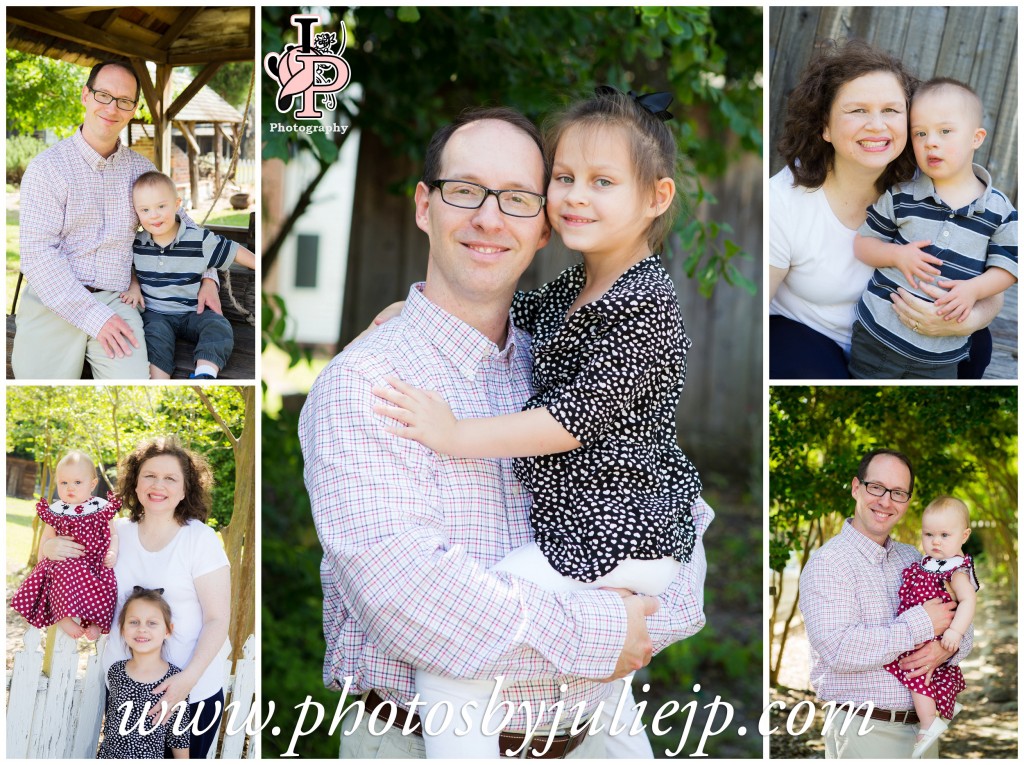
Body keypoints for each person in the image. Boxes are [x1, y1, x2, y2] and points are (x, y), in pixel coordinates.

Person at [300, 105, 713, 759]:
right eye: (465, 190)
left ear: (542, 226)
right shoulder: (371, 381)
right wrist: (608, 629)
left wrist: (646, 618)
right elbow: (410, 601)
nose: (489, 218)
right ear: (423, 205)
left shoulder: (580, 349)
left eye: (517, 199)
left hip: (594, 735)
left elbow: (679, 538)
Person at [768, 40, 1003, 379]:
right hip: (811, 336)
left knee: (977, 343)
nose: (877, 125)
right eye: (857, 110)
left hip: (901, 337)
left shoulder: (932, 181)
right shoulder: (784, 201)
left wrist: (967, 319)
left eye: (891, 111)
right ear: (825, 127)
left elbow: (992, 285)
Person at [13, 60, 221, 380]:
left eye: (124, 101)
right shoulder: (48, 169)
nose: (112, 108)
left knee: (134, 386)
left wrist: (209, 276)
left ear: (134, 109)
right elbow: (39, 255)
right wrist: (95, 319)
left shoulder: (140, 171)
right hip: (53, 299)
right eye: (103, 95)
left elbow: (183, 225)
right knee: (35, 386)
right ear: (85, 95)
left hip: (117, 299)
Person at [40, 436, 230, 758]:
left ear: (186, 489)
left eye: (170, 478)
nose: (159, 485)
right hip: (125, 691)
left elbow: (217, 619)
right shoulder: (115, 533)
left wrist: (187, 680)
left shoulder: (201, 539)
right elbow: (69, 580)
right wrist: (48, 549)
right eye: (150, 475)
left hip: (192, 690)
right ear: (135, 482)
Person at [799, 449, 973, 759]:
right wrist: (921, 625)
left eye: (898, 492)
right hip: (864, 730)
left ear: (907, 501)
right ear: (856, 487)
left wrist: (940, 651)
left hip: (923, 728)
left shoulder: (917, 559)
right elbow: (839, 650)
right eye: (876, 487)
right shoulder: (829, 563)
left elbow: (965, 629)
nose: (886, 500)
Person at [850, 78, 1018, 378]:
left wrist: (973, 290)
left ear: (976, 138)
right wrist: (896, 256)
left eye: (945, 131)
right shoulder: (902, 195)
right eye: (920, 133)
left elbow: (1009, 269)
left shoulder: (999, 210)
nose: (931, 142)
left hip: (942, 355)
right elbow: (863, 244)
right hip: (877, 337)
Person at [120, 171, 257, 379]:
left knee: (218, 326)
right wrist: (134, 285)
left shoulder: (198, 240)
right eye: (145, 210)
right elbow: (128, 268)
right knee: (154, 338)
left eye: (161, 206)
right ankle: (159, 381)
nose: (154, 215)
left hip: (193, 311)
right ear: (136, 213)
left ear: (177, 204)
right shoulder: (137, 243)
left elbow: (233, 249)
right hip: (156, 313)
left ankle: (205, 373)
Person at [882, 497, 978, 757]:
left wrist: (955, 632)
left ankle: (928, 724)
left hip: (933, 633)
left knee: (917, 675)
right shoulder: (925, 562)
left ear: (964, 535)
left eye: (945, 535)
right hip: (918, 629)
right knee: (924, 674)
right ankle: (943, 708)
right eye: (929, 534)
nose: (936, 541)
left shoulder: (956, 569)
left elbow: (968, 600)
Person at [10, 450, 119, 640]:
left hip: (95, 562)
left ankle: (95, 623)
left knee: (107, 584)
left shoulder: (100, 508)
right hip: (66, 561)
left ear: (92, 484)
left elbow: (113, 534)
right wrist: (43, 559)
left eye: (77, 482)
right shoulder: (57, 510)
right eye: (64, 482)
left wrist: (113, 551)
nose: (70, 488)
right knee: (63, 574)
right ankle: (63, 616)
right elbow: (47, 538)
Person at [96, 586, 192, 759]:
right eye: (134, 622)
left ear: (168, 631)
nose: (142, 629)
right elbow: (110, 725)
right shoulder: (116, 672)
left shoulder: (175, 680)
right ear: (123, 628)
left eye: (152, 623)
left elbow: (178, 735)